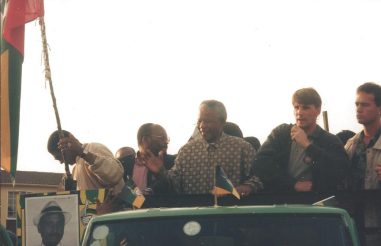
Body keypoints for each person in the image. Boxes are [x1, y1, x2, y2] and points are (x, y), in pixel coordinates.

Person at [146, 100, 259, 196]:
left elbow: (259, 178)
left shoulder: (242, 148)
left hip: (229, 215)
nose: (202, 126)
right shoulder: (186, 151)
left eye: (208, 121)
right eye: (199, 121)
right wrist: (161, 171)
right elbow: (175, 184)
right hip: (194, 218)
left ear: (222, 122)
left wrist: (245, 187)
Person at [251, 87, 349, 193]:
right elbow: (260, 163)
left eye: (305, 108)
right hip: (281, 200)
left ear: (318, 110)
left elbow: (341, 171)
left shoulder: (330, 140)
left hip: (315, 203)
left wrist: (308, 146)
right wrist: (292, 184)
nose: (299, 112)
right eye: (296, 107)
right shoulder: (281, 133)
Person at [344, 82, 381, 245]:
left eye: (365, 104)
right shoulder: (351, 144)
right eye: (357, 104)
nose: (359, 109)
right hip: (355, 223)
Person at [47, 130, 125, 195]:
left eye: (60, 157)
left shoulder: (94, 148)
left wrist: (82, 152)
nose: (61, 162)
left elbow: (114, 175)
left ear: (69, 143)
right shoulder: (75, 170)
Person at [116, 123, 176, 194]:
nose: (166, 142)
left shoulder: (173, 162)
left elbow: (177, 191)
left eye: (167, 139)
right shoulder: (122, 165)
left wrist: (161, 171)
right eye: (161, 138)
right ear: (145, 140)